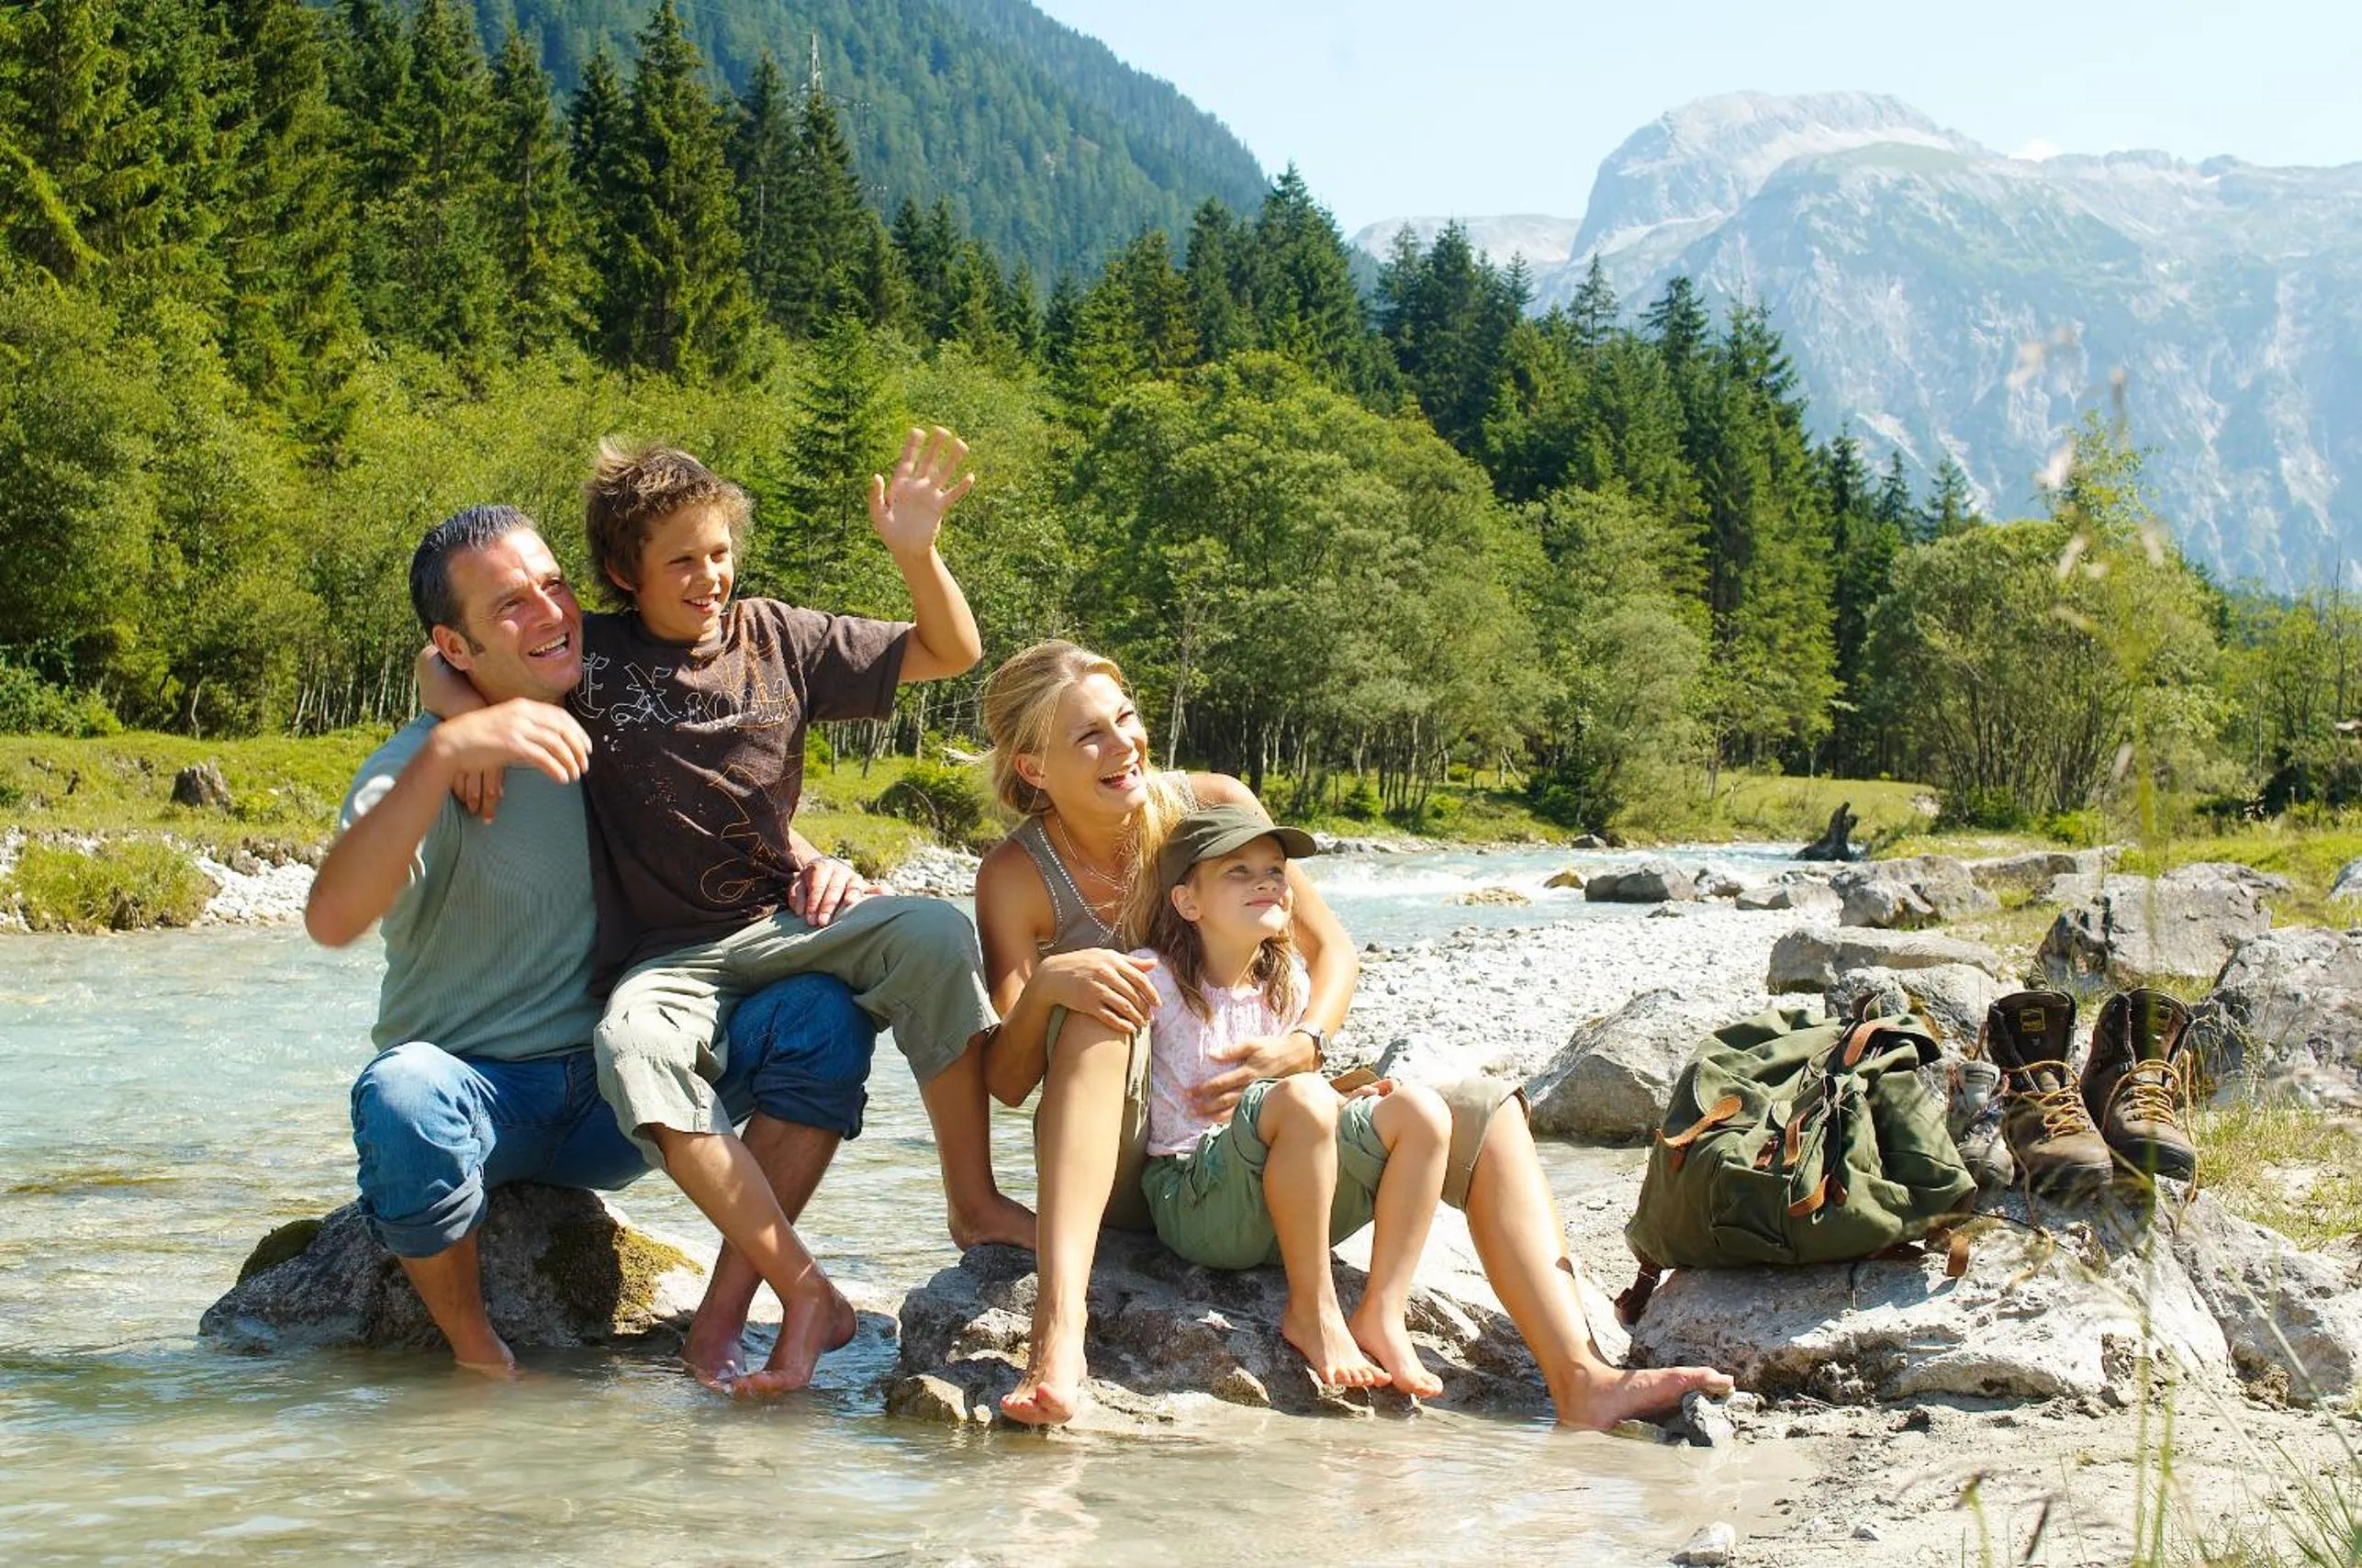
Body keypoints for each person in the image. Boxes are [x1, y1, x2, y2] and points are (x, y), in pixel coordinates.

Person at [971, 640, 1733, 1428]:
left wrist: (1305, 1043)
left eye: (1125, 717)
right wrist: (1051, 987)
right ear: (1033, 767)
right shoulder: (1015, 877)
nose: (1122, 744)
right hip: (1143, 1171)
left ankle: (1581, 1380)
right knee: (1100, 1003)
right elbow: (1008, 1080)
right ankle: (1058, 1337)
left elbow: (1329, 950)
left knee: (1484, 1110)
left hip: (1270, 1130)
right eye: (1088, 735)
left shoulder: (1213, 801)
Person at [424, 427, 1033, 1392]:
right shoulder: (594, 658)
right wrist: (465, 715)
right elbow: (443, 662)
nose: (708, 577)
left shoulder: (779, 636)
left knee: (933, 933)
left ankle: (973, 1198)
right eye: (680, 562)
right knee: (630, 1046)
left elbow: (951, 650)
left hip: (789, 924)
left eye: (718, 553)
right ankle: (790, 1289)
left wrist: (916, 553)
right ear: (622, 575)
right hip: (666, 958)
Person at [307, 505, 884, 1388]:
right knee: (401, 1093)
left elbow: (726, 821)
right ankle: (479, 1358)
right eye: (510, 604)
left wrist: (813, 863)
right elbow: (332, 920)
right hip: (486, 1101)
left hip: (628, 1090)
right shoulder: (418, 764)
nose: (550, 613)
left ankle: (724, 1322)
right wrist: (449, 745)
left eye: (554, 584)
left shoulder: (615, 717)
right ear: (455, 646)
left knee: (821, 1016)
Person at [1134, 806, 1452, 1395]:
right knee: (1305, 1095)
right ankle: (1313, 1309)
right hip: (1198, 1200)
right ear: (1187, 902)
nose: (1266, 882)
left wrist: (1342, 1101)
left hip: (1282, 1204)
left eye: (1275, 870)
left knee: (1420, 1110)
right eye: (1238, 870)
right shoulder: (1153, 978)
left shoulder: (1288, 984)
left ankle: (1382, 1312)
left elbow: (1297, 1114)